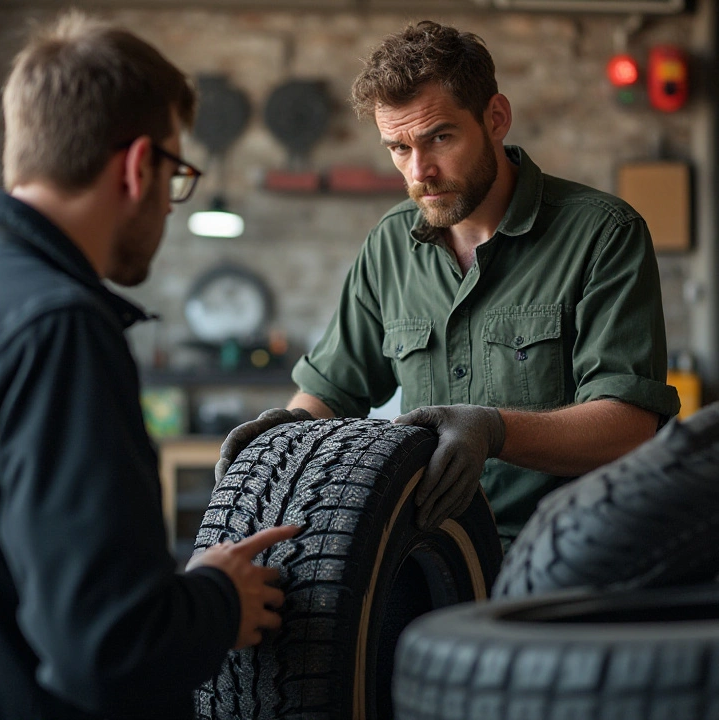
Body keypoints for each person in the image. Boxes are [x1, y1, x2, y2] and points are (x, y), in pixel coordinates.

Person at [0, 13, 296, 720]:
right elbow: (109, 649)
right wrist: (217, 600)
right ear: (135, 167)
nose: (170, 204)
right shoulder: (58, 330)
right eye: (176, 174)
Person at [218, 20, 678, 546]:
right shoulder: (390, 245)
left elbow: (629, 426)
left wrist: (493, 430)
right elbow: (332, 391)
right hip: (432, 555)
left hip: (569, 553)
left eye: (440, 137)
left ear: (496, 118)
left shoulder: (602, 234)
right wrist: (284, 437)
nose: (420, 172)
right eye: (398, 148)